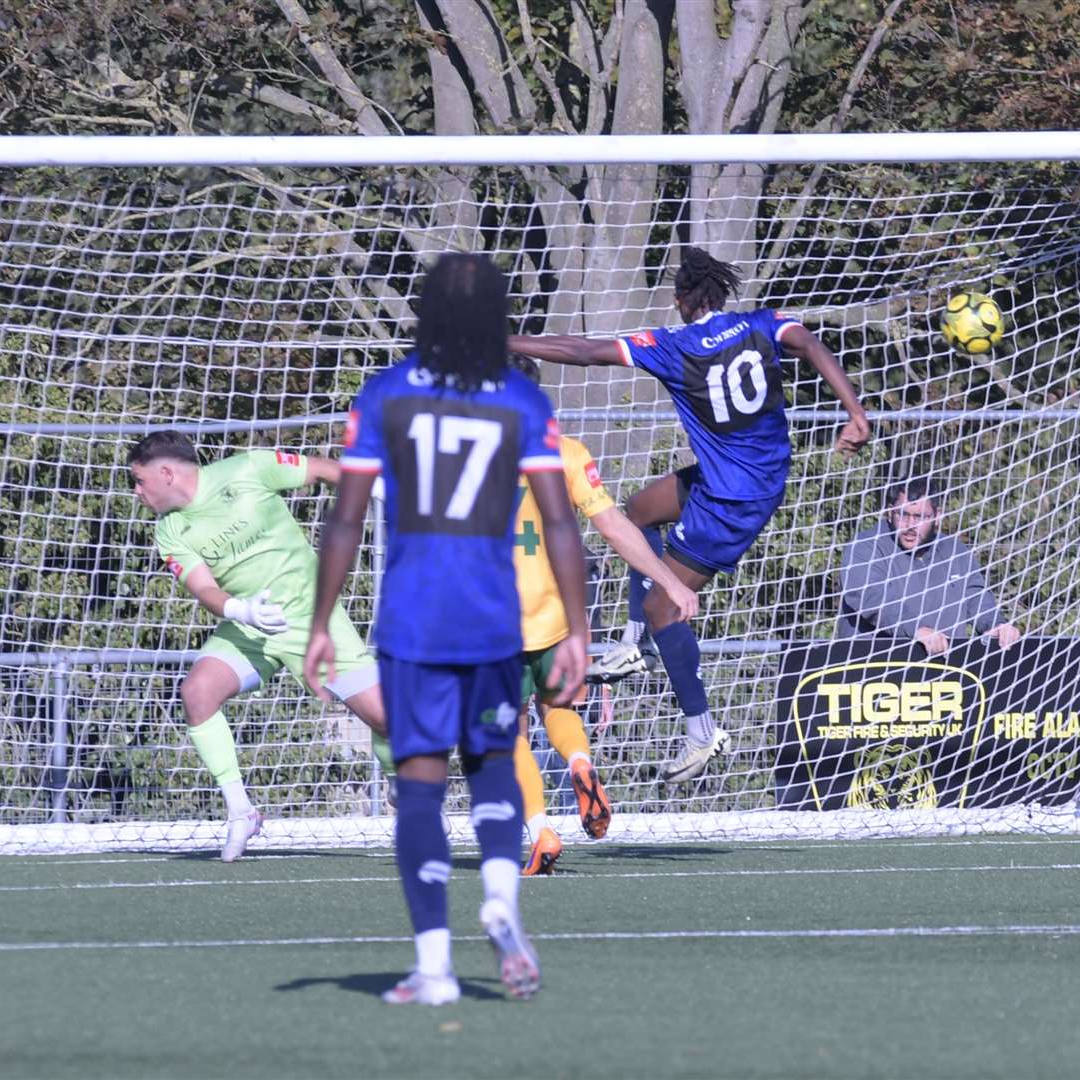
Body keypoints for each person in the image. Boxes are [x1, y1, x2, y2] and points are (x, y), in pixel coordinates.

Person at [305, 252, 590, 1006]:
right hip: (494, 620)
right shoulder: (522, 400)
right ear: (498, 316)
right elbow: (561, 524)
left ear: (423, 313)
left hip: (412, 621)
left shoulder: (385, 394)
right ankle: (501, 896)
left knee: (422, 785)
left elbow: (345, 519)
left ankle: (433, 966)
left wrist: (318, 624)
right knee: (493, 766)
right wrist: (578, 630)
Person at [509, 247, 869, 782]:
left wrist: (503, 341)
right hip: (743, 476)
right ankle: (632, 645)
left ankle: (701, 730)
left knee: (664, 609)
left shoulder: (673, 346)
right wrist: (854, 411)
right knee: (636, 511)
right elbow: (810, 342)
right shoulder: (762, 324)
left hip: (731, 501)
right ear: (721, 294)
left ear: (681, 301)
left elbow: (583, 351)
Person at [129, 430, 394, 863]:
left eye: (139, 481)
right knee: (197, 692)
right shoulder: (171, 531)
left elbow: (325, 470)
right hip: (251, 625)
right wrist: (241, 610)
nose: (138, 493)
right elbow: (204, 589)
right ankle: (242, 812)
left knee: (388, 721)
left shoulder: (248, 467)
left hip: (315, 620)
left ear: (166, 473)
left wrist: (376, 486)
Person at [506, 356, 700, 876]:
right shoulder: (566, 453)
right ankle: (581, 764)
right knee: (559, 708)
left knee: (508, 733)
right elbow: (614, 527)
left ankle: (541, 829)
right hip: (557, 616)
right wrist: (671, 581)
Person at [838, 476, 1022, 654]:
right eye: (902, 514)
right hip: (874, 670)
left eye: (920, 517)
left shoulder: (955, 551)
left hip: (943, 672)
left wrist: (996, 625)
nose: (910, 525)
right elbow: (871, 597)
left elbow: (976, 597)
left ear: (937, 515)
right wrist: (917, 629)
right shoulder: (865, 546)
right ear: (889, 511)